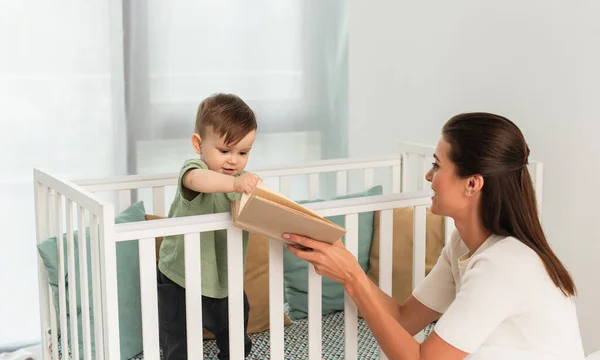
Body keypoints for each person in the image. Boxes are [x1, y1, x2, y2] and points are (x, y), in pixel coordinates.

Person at [285, 112, 585, 359]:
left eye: (437, 166)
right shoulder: (461, 244)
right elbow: (404, 319)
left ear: (472, 184)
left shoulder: (505, 263)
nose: (428, 176)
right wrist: (348, 267)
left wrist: (352, 277)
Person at [157, 93, 260, 360]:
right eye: (224, 150)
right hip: (180, 278)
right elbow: (198, 181)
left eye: (243, 152)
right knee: (178, 344)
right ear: (198, 144)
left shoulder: (241, 181)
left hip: (224, 280)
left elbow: (263, 207)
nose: (233, 160)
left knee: (237, 339)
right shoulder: (194, 170)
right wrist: (236, 185)